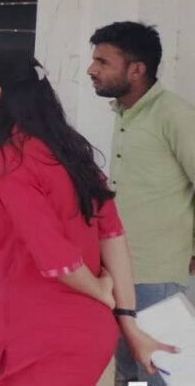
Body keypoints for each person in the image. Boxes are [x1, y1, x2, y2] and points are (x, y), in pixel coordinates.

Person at [0, 49, 174, 385]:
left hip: (43, 334)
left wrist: (101, 291)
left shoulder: (10, 160)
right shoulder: (71, 151)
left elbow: (55, 256)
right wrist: (126, 319)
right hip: (88, 334)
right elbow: (113, 235)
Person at [87, 21, 195, 386]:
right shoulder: (124, 113)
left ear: (136, 69)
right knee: (127, 373)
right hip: (121, 274)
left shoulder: (174, 115)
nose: (91, 69)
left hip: (157, 272)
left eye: (103, 62)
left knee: (159, 377)